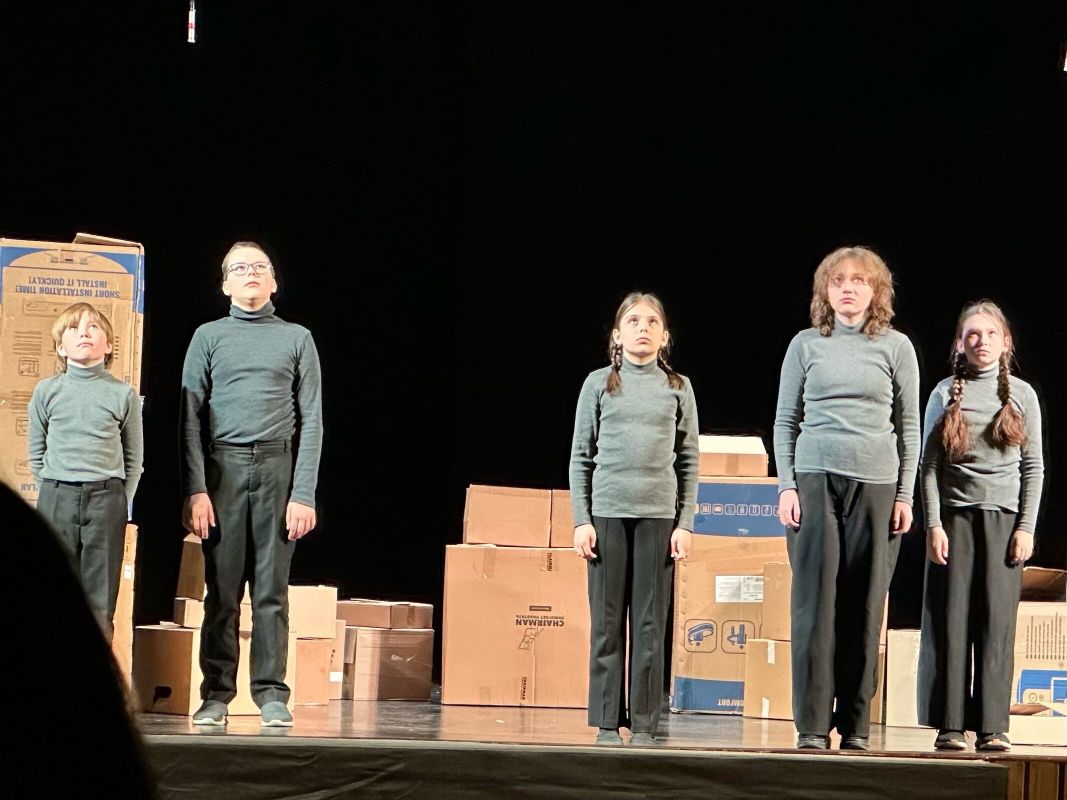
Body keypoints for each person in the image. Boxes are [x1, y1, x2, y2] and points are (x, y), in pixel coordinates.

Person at [773, 246, 920, 750]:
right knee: (814, 605)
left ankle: (855, 724)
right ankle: (812, 725)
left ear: (876, 290)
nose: (848, 288)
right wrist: (787, 485)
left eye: (859, 280)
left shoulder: (896, 347)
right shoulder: (805, 345)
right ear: (826, 291)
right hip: (816, 478)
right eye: (838, 281)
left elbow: (909, 427)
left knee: (864, 604)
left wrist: (905, 495)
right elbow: (785, 421)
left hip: (876, 483)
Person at [180, 241, 323, 727]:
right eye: (239, 268)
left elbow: (313, 420)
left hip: (277, 469)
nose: (250, 274)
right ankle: (216, 694)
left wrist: (303, 493)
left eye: (260, 267)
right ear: (225, 284)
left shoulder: (298, 338)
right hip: (223, 468)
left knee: (271, 591)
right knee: (221, 591)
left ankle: (271, 693)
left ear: (274, 281)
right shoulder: (208, 337)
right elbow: (189, 419)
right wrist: (196, 488)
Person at [569, 291, 699, 746]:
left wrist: (685, 523)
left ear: (664, 336)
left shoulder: (678, 387)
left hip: (658, 518)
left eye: (651, 322)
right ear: (617, 335)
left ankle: (644, 723)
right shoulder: (598, 384)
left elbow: (689, 460)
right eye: (633, 321)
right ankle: (608, 721)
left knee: (649, 624)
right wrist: (581, 519)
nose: (642, 328)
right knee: (607, 623)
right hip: (607, 515)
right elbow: (580, 457)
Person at [917, 300, 1044, 752]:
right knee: (951, 621)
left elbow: (1033, 468)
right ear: (960, 343)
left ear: (1005, 342)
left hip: (1004, 522)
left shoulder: (1022, 396)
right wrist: (934, 524)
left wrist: (1026, 527)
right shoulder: (943, 393)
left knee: (996, 623)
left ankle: (992, 725)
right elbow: (928, 466)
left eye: (990, 334)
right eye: (972, 334)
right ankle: (950, 724)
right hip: (954, 520)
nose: (981, 341)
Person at [28, 302, 143, 638]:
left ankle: (95, 670)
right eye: (74, 328)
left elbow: (134, 459)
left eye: (93, 327)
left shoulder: (122, 394)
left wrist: (119, 499)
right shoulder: (47, 391)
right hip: (57, 496)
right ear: (61, 348)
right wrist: (54, 490)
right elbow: (36, 452)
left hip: (106, 499)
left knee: (99, 603)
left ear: (108, 346)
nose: (84, 333)